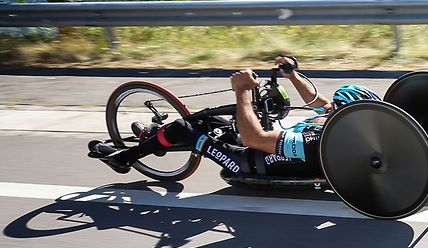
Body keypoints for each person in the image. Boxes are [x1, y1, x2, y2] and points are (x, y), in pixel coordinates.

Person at [87, 56, 381, 177]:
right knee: (210, 121)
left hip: (247, 161)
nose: (327, 109)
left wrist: (241, 92)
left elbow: (256, 138)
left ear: (342, 116)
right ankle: (154, 140)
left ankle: (123, 159)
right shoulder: (343, 130)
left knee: (183, 128)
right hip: (259, 149)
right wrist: (291, 74)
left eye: (333, 110)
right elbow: (319, 101)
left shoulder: (315, 139)